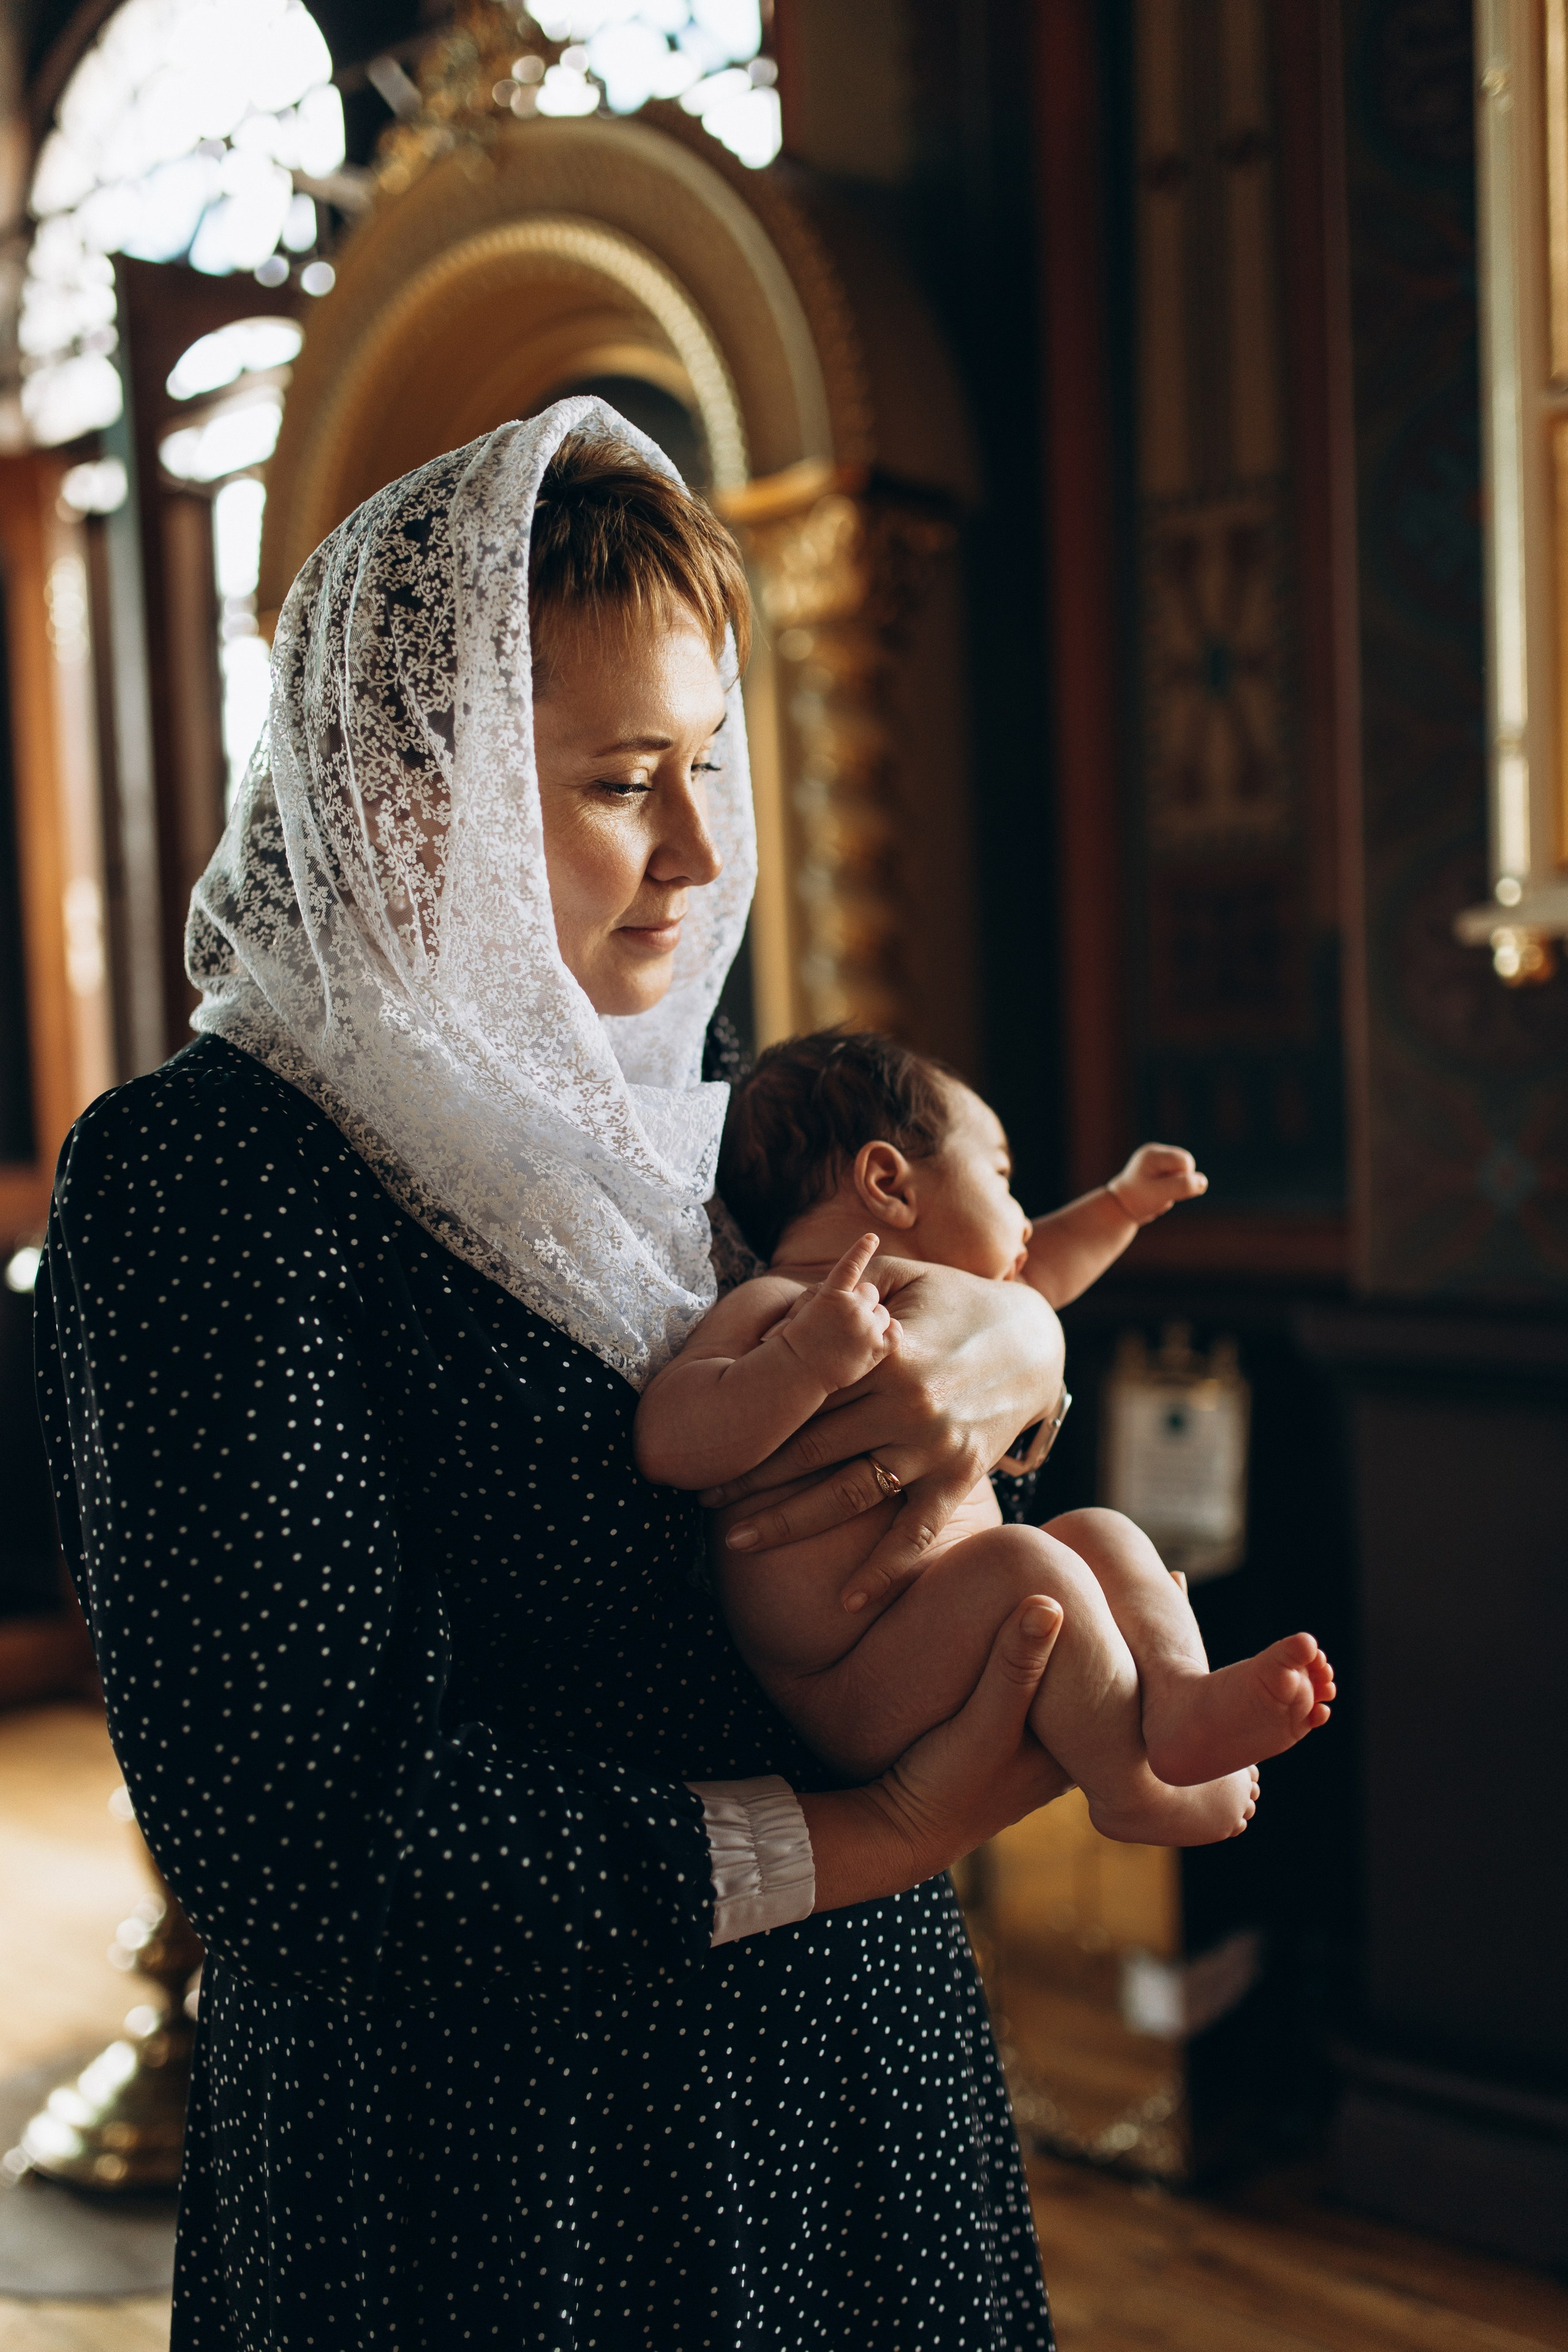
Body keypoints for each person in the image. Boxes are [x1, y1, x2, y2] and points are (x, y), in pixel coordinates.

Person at [36, 402, 1079, 2350]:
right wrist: (872, 1835)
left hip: (854, 2101)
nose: (698, 847)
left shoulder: (687, 1136)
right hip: (501, 2181)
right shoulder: (209, 1181)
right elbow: (295, 1840)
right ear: (406, 791)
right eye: (620, 783)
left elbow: (908, 1450)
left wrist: (1018, 1342)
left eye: (706, 763)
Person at [636, 1031, 1335, 1847]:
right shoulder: (775, 1309)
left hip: (944, 1627)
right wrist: (801, 1361)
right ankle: (1132, 1789)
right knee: (1031, 1566)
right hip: (845, 1683)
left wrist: (1120, 1205)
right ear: (889, 1183)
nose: (1023, 1216)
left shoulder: (951, 1303)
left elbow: (1039, 1275)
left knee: (1098, 1533)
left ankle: (1180, 1699)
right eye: (1002, 1178)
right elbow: (669, 1441)